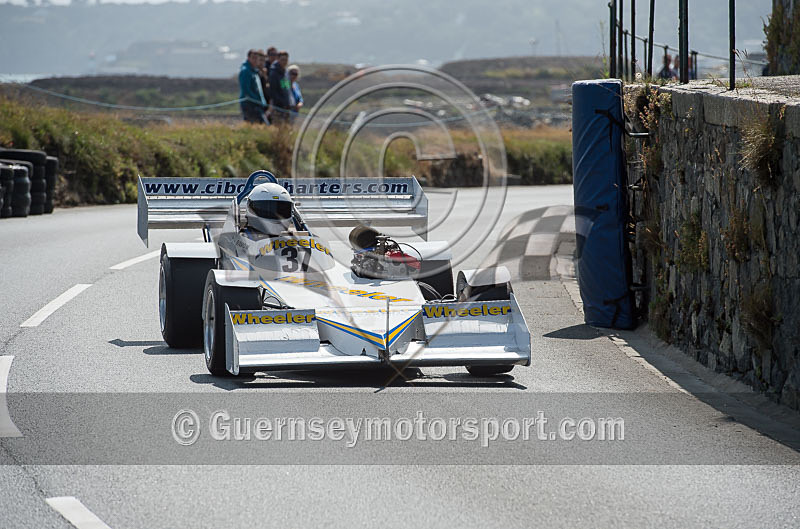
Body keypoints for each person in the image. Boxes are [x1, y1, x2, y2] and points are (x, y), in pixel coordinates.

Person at [238, 49, 268, 124]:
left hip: (258, 104)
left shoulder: (255, 71)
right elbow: (246, 90)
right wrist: (256, 100)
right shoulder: (246, 71)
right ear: (248, 58)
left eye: (257, 58)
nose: (255, 60)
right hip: (250, 104)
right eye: (253, 58)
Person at [269, 51, 292, 123]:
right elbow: (273, 91)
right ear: (278, 59)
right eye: (282, 59)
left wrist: (288, 102)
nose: (284, 62)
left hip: (286, 106)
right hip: (278, 107)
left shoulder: (285, 72)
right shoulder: (274, 73)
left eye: (286, 60)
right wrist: (281, 102)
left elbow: (286, 88)